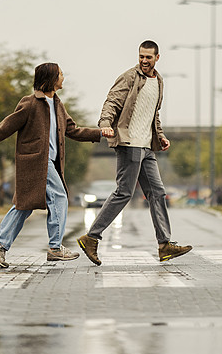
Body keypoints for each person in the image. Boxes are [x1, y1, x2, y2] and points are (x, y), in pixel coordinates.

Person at [0, 63, 114, 268]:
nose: (63, 77)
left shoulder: (57, 105)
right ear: (51, 78)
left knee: (24, 206)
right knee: (59, 197)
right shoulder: (29, 103)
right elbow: (6, 126)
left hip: (50, 163)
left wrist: (99, 133)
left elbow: (73, 131)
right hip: (36, 162)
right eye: (61, 74)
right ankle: (55, 248)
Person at [77, 40, 192, 266]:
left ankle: (164, 244)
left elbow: (154, 114)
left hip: (147, 145)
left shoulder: (158, 80)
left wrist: (160, 135)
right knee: (124, 192)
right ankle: (91, 238)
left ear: (157, 58)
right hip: (129, 143)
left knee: (157, 192)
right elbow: (111, 102)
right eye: (141, 56)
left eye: (149, 57)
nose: (144, 60)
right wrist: (105, 123)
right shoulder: (129, 77)